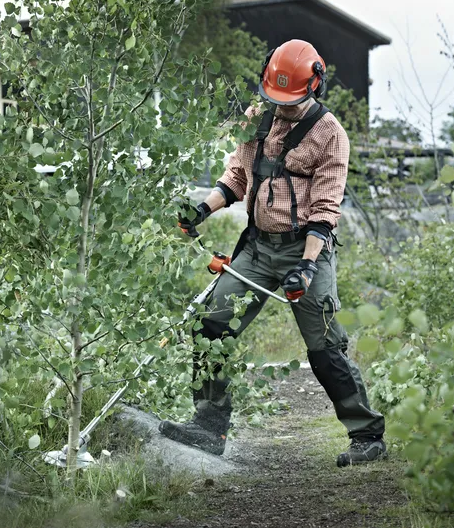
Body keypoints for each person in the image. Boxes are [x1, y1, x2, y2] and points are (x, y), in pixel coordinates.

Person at [159, 39, 386, 467]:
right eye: (274, 98)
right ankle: (208, 427)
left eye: (290, 100)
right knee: (211, 325)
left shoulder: (330, 135)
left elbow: (325, 209)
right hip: (258, 247)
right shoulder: (257, 117)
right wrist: (201, 209)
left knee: (323, 347)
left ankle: (367, 434)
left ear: (313, 87)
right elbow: (238, 176)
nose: (281, 107)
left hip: (307, 249)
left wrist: (306, 266)